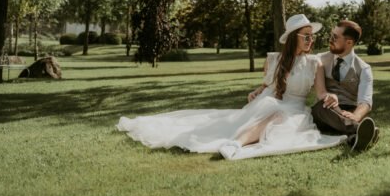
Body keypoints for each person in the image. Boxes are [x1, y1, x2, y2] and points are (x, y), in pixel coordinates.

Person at [116, 14, 347, 160]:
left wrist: (331, 97)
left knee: (278, 116)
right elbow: (268, 84)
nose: (310, 40)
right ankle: (235, 143)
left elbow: (321, 92)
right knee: (270, 112)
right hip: (270, 101)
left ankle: (236, 143)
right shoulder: (274, 60)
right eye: (306, 36)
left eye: (311, 37)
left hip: (295, 108)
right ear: (294, 37)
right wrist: (258, 91)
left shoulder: (315, 63)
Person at [312, 20, 380, 152]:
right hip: (326, 111)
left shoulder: (364, 68)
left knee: (346, 118)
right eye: (331, 35)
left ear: (349, 42)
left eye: (335, 37)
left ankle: (354, 138)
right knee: (320, 107)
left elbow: (365, 101)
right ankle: (357, 129)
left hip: (349, 112)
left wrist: (356, 116)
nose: (330, 40)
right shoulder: (320, 59)